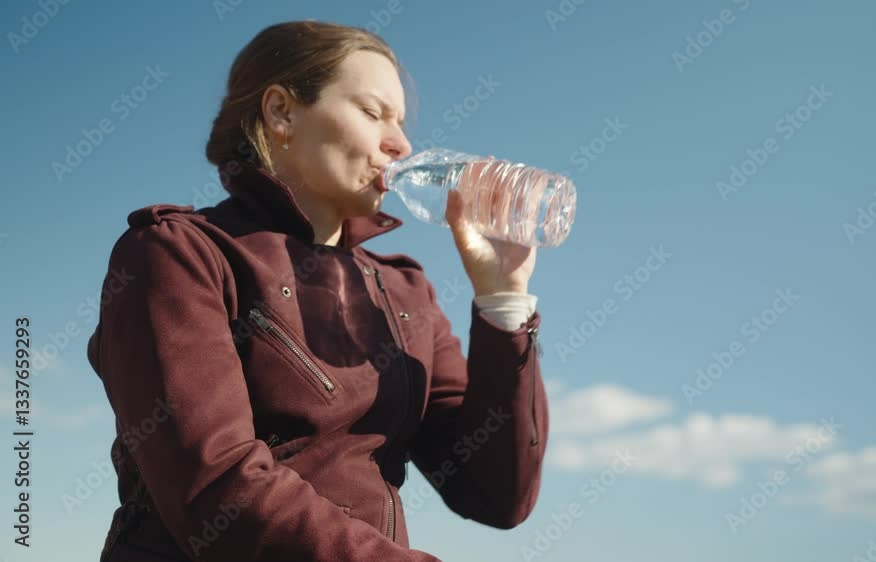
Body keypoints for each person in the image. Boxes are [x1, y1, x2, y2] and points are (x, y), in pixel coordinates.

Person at [86, 20, 548, 562]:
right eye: (373, 113)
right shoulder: (179, 254)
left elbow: (496, 495)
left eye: (401, 122)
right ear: (281, 112)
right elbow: (215, 487)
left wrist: (502, 301)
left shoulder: (406, 290)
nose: (400, 144)